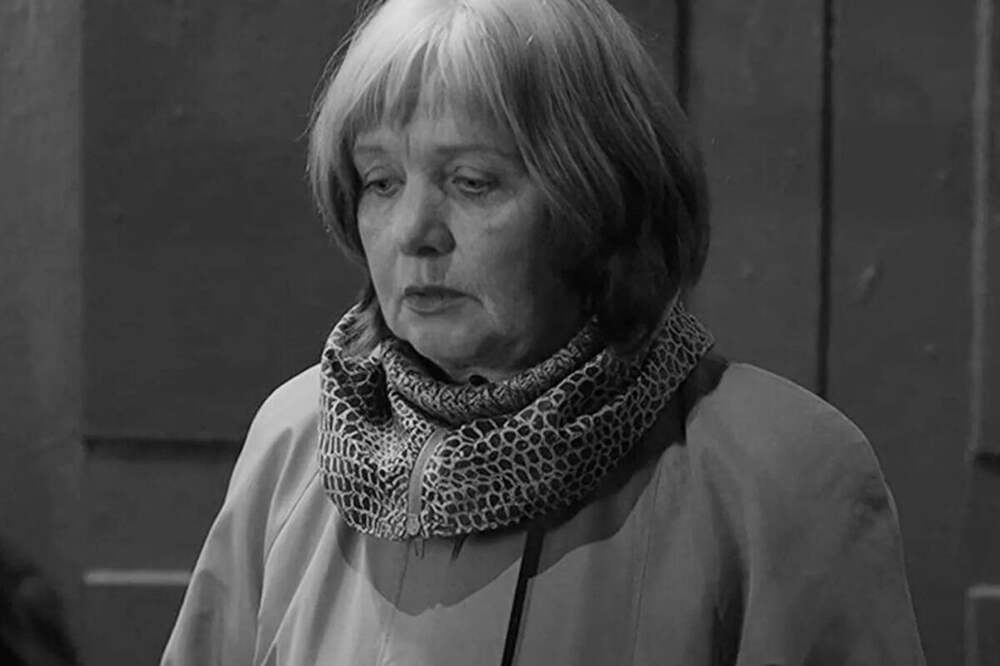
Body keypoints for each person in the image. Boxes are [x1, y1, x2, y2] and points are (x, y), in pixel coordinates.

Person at [162, 0, 926, 663]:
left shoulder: (782, 476)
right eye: (381, 181)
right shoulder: (296, 441)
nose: (414, 231)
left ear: (599, 198)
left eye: (472, 181)